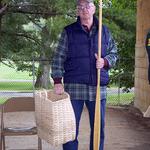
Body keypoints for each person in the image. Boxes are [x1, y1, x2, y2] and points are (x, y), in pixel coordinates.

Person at [51, 0, 118, 149]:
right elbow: (58, 57)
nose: (84, 9)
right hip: (74, 87)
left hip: (98, 88)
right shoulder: (68, 31)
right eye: (80, 7)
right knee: (69, 130)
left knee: (98, 130)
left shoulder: (104, 31)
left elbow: (114, 53)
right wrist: (57, 81)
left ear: (94, 8)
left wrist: (105, 61)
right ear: (77, 11)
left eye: (87, 5)